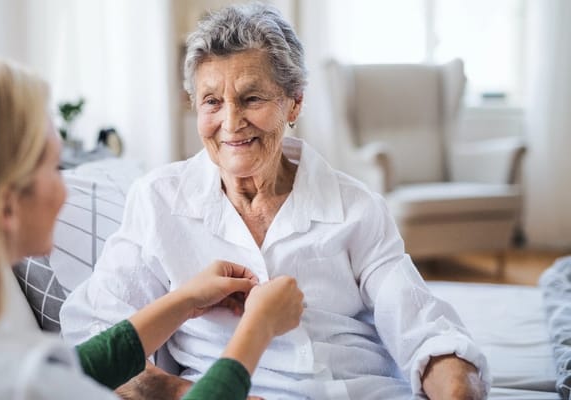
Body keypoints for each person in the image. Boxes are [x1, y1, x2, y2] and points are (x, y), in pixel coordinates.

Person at [60, 3, 490, 400]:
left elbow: (427, 335)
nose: (231, 123)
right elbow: (97, 336)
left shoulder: (357, 208)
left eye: (252, 98)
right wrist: (178, 391)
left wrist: (456, 390)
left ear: (294, 102)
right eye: (212, 101)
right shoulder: (157, 202)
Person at [0, 54, 305, 399]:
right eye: (54, 168)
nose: (67, 191)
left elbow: (77, 368)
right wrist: (257, 331)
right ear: (8, 206)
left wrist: (183, 300)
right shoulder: (23, 380)